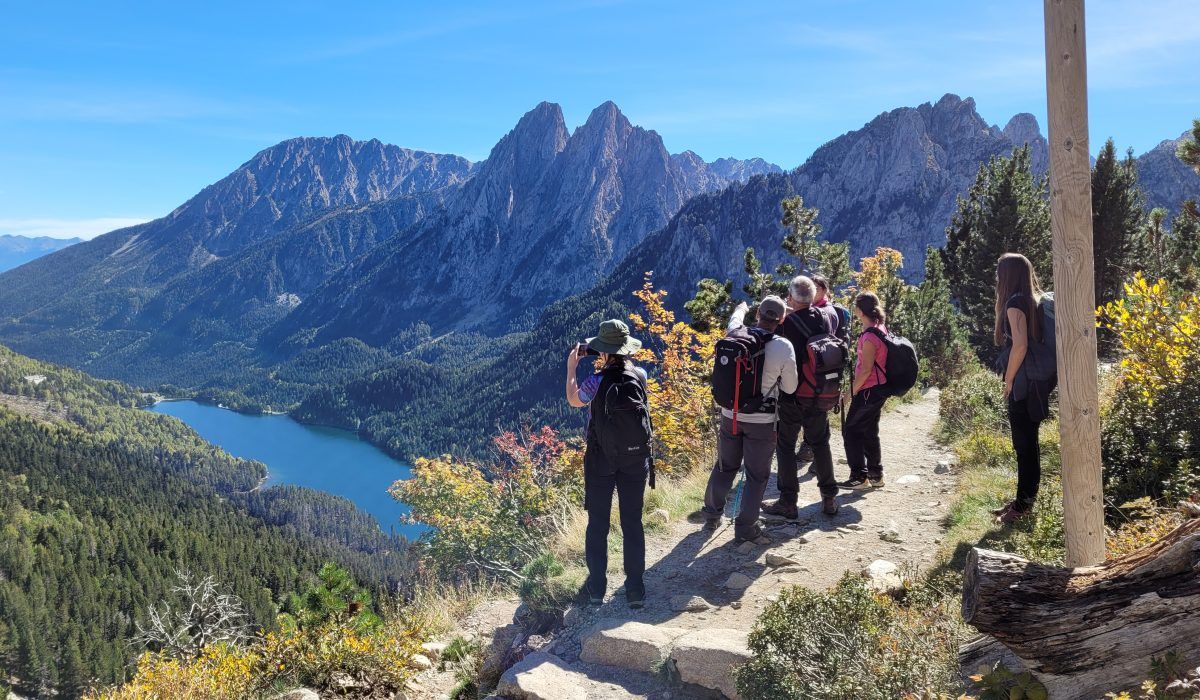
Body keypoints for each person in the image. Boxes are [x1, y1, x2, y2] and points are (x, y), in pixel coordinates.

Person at [695, 295, 798, 544]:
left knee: (725, 466)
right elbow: (791, 388)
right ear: (781, 319)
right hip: (762, 421)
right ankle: (745, 528)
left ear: (757, 315)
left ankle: (711, 515)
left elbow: (734, 319)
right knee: (756, 475)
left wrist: (741, 307)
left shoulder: (735, 334)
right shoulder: (783, 346)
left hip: (730, 415)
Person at [566, 319, 650, 608]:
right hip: (635, 458)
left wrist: (571, 367)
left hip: (601, 460)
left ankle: (597, 589)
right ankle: (635, 589)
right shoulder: (640, 375)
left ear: (602, 351)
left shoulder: (596, 381)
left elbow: (574, 400)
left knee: (598, 523)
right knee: (632, 522)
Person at [763, 276, 840, 519]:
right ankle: (829, 497)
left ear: (790, 299)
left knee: (785, 446)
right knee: (820, 443)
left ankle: (788, 502)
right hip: (819, 393)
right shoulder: (824, 317)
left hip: (793, 395)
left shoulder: (787, 326)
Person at [992, 253, 1056, 525]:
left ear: (1005, 275)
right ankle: (1023, 500)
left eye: (998, 272)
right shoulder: (1037, 300)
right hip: (1040, 379)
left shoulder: (1015, 303)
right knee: (1029, 443)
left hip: (1024, 382)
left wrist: (1008, 380)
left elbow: (1020, 345)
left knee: (1024, 444)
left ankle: (1022, 507)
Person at [841, 292, 890, 490]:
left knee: (851, 430)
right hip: (879, 388)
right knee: (869, 431)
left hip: (869, 389)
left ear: (860, 311)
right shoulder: (880, 329)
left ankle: (859, 477)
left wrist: (847, 395)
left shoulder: (870, 336)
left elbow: (865, 370)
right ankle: (876, 475)